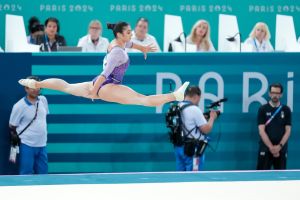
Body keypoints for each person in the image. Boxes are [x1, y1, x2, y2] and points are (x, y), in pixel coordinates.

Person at [18, 21, 189, 107]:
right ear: (120, 34)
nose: (132, 34)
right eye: (129, 32)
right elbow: (105, 74)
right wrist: (93, 91)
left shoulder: (116, 44)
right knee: (142, 99)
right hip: (107, 85)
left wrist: (142, 47)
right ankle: (175, 96)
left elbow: (130, 44)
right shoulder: (117, 52)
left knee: (67, 87)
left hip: (102, 85)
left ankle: (36, 83)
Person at [9, 76, 49, 175]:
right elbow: (12, 126)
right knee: (26, 175)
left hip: (42, 145)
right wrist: (15, 143)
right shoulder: (19, 106)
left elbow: (42, 119)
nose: (36, 89)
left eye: (38, 86)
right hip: (26, 145)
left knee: (43, 175)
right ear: (26, 88)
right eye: (32, 87)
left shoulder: (43, 100)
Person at [175, 86, 217, 171]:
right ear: (196, 96)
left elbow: (188, 123)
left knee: (180, 178)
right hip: (192, 150)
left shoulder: (178, 106)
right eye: (199, 98)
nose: (199, 101)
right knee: (194, 179)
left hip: (179, 147)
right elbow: (206, 129)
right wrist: (212, 118)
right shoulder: (194, 109)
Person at [257, 83, 292, 170]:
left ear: (281, 95)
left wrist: (279, 147)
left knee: (281, 179)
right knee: (261, 179)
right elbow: (261, 131)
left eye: (277, 93)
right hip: (265, 148)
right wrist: (271, 148)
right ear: (269, 94)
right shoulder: (262, 109)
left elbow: (288, 131)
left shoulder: (286, 110)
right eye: (273, 93)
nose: (274, 95)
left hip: (281, 149)